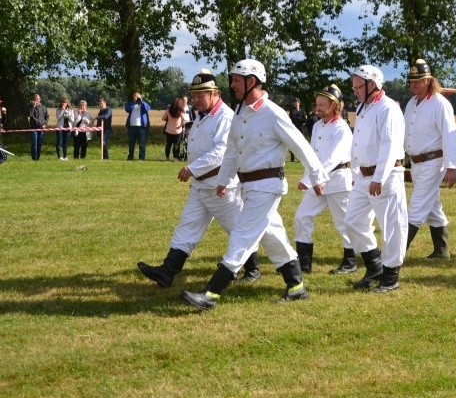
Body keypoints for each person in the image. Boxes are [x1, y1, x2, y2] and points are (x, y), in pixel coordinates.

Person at [180, 59, 327, 310]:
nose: (232, 85)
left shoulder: (273, 113)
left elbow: (300, 145)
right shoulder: (240, 113)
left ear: (252, 81)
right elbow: (230, 151)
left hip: (267, 186)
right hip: (248, 186)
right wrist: (224, 180)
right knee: (273, 235)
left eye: (236, 80)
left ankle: (211, 294)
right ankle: (296, 287)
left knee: (242, 236)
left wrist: (317, 176)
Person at [138, 70, 260, 288]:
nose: (196, 100)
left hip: (220, 187)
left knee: (238, 229)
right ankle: (168, 271)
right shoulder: (202, 116)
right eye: (194, 96)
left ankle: (253, 269)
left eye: (201, 95)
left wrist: (193, 168)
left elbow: (222, 151)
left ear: (215, 94)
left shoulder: (225, 116)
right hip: (200, 186)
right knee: (187, 226)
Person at [344, 64, 408, 293]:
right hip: (363, 177)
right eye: (354, 87)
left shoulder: (388, 108)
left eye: (358, 86)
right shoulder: (364, 107)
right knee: (352, 221)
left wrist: (379, 177)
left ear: (372, 84)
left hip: (386, 176)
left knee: (392, 226)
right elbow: (357, 142)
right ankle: (374, 267)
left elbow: (390, 146)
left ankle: (391, 277)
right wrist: (355, 173)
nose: (355, 91)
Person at [293, 85, 362, 274]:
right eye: (317, 104)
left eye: (322, 104)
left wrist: (313, 180)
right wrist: (308, 177)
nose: (318, 107)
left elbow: (333, 158)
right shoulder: (316, 126)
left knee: (344, 223)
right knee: (302, 215)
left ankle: (350, 262)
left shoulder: (342, 129)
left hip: (338, 181)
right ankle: (304, 263)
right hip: (318, 181)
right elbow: (312, 156)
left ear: (333, 105)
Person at [404, 59, 456, 259]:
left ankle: (395, 254)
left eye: (418, 81)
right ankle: (442, 250)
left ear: (428, 80)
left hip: (434, 163)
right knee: (432, 207)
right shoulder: (412, 103)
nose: (413, 85)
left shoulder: (440, 104)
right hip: (417, 163)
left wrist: (451, 166)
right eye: (411, 81)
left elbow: (450, 136)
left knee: (416, 208)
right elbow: (407, 134)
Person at [125, 92, 151, 161]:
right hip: (132, 126)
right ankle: (130, 157)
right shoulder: (131, 104)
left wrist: (141, 102)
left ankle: (141, 158)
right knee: (131, 143)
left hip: (141, 127)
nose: (136, 98)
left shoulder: (143, 104)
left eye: (138, 97)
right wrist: (134, 103)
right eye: (135, 97)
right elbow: (127, 109)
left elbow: (147, 109)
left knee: (142, 143)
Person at [27, 93, 49, 160]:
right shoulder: (30, 107)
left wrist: (45, 124)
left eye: (37, 99)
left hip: (41, 128)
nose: (36, 100)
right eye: (35, 99)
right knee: (34, 143)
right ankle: (34, 157)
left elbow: (47, 116)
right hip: (33, 128)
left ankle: (38, 157)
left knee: (39, 143)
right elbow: (29, 115)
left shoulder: (43, 107)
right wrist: (33, 107)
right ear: (33, 100)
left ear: (40, 99)